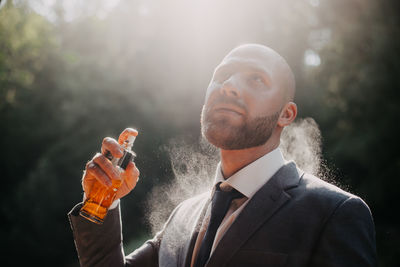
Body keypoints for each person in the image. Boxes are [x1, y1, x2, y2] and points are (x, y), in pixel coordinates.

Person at [68, 44, 377, 267]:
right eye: (222, 75)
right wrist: (103, 206)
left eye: (256, 79)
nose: (228, 86)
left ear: (286, 114)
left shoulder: (335, 214)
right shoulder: (182, 217)